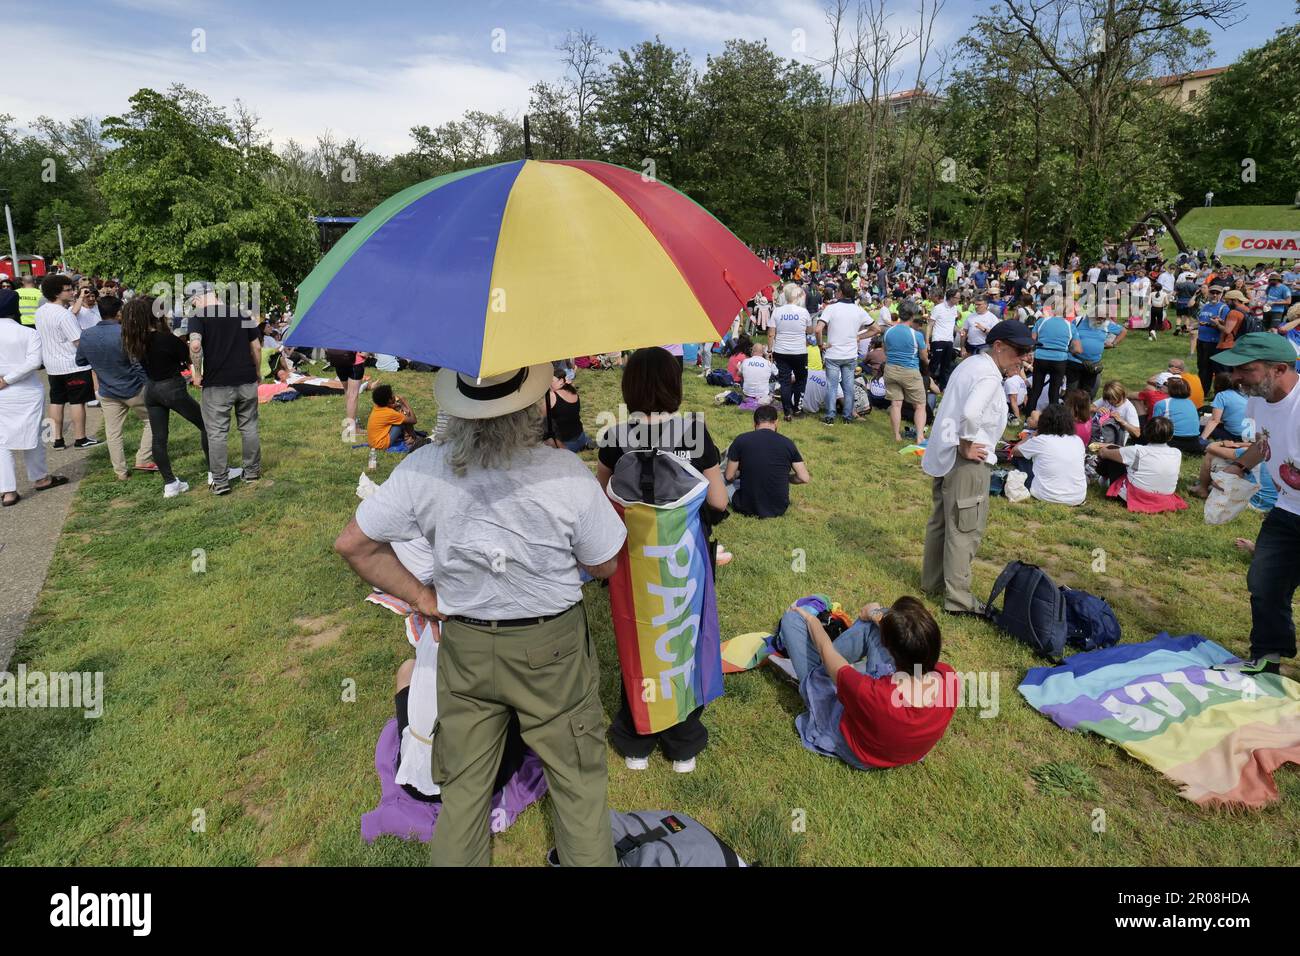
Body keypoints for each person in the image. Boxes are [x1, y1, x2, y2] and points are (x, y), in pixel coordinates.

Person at [335, 362, 626, 866]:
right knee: (578, 787)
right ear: (534, 407)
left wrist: (424, 597)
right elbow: (605, 564)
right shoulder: (564, 472)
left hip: (465, 645)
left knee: (464, 791)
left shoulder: (423, 468)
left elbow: (353, 545)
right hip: (550, 649)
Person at [596, 347, 728, 772]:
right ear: (675, 386)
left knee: (639, 642)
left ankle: (636, 738)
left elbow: (600, 503)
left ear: (629, 387)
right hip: (683, 561)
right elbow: (719, 501)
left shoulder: (614, 437)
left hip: (633, 565)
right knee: (684, 642)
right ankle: (682, 742)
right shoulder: (695, 432)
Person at [922, 321, 1034, 615]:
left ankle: (932, 582)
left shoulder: (971, 364)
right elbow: (970, 413)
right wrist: (965, 444)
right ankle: (959, 599)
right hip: (967, 461)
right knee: (965, 528)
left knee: (942, 523)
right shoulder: (987, 375)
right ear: (998, 347)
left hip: (947, 455)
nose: (1023, 357)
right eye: (1019, 351)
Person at [1205, 333, 1300, 675]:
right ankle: (1267, 656)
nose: (1237, 377)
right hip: (1288, 509)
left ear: (1279, 369)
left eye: (1246, 369)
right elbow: (1264, 441)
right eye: (1235, 370)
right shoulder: (1259, 399)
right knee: (1264, 581)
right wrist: (1238, 465)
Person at [781, 597, 957, 770]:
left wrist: (811, 619)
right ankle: (854, 654)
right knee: (876, 624)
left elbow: (825, 650)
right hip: (898, 741)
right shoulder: (949, 678)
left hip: (860, 750)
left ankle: (810, 671)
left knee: (791, 621)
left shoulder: (871, 693)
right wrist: (876, 614)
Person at [121, 296, 223, 497]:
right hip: (171, 388)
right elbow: (187, 355)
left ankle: (170, 483)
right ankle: (215, 472)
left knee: (159, 439)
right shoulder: (165, 338)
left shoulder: (134, 340)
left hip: (151, 390)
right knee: (206, 425)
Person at [73, 295, 157, 481]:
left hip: (107, 390)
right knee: (152, 421)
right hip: (134, 388)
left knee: (113, 433)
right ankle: (143, 458)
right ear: (118, 312)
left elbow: (80, 360)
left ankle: (120, 472)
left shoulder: (87, 334)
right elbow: (135, 363)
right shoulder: (125, 333)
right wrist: (149, 383)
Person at [188, 283, 261, 495]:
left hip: (217, 384)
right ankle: (252, 472)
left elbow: (195, 345)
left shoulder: (199, 317)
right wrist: (256, 372)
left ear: (199, 298)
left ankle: (220, 482)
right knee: (249, 427)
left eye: (193, 302)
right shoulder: (242, 314)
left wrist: (198, 374)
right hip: (246, 380)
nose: (194, 306)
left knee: (217, 433)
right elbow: (256, 346)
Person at [0, 289, 69, 506]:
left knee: (1, 442)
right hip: (25, 390)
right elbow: (33, 362)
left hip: (2, 391)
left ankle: (8, 491)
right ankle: (40, 478)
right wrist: (8, 379)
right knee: (33, 435)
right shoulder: (28, 333)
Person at [33, 274, 99, 449]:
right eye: (68, 290)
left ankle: (58, 439)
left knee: (57, 401)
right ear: (56, 293)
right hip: (72, 364)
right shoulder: (64, 315)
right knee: (77, 401)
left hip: (52, 366)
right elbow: (78, 341)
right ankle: (80, 438)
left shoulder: (40, 312)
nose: (72, 292)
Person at [724, 405, 810, 518]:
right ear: (776, 422)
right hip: (779, 508)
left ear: (755, 424)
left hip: (746, 505)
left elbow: (729, 476)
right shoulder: (788, 443)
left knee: (718, 479)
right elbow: (804, 477)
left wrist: (740, 473)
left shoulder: (741, 440)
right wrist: (786, 477)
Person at [1094, 417, 1186, 511]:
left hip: (1137, 495)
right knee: (1123, 456)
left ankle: (1103, 480)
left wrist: (1106, 447)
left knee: (1113, 455)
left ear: (1145, 433)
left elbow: (1103, 453)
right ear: (1171, 436)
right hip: (1165, 495)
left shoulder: (1137, 451)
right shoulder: (1176, 453)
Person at [815, 279, 873, 424]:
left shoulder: (831, 308)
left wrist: (821, 345)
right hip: (850, 355)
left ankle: (830, 416)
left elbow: (818, 329)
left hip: (833, 353)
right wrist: (859, 337)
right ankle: (847, 417)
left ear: (840, 292)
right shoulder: (859, 310)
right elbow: (876, 329)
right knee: (848, 386)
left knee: (832, 386)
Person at [1011, 403, 1087, 506]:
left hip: (1046, 495)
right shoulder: (1078, 440)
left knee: (1020, 457)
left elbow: (1015, 450)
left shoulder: (1041, 440)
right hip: (1077, 497)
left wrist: (1034, 434)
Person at [883, 306, 929, 443]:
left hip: (891, 368)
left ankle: (896, 435)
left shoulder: (888, 331)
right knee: (920, 405)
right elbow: (923, 356)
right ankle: (920, 436)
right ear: (912, 317)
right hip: (910, 370)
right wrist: (927, 361)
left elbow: (885, 350)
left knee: (896, 404)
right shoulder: (916, 334)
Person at [769, 283, 812, 422]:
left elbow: (771, 334)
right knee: (801, 380)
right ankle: (797, 409)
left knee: (785, 381)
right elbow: (809, 331)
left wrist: (770, 350)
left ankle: (787, 411)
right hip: (799, 351)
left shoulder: (777, 311)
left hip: (781, 351)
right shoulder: (803, 312)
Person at [1025, 305, 1080, 412]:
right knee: (1054, 392)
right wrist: (1068, 349)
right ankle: (1052, 419)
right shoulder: (1070, 326)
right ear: (1065, 313)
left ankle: (1028, 417)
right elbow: (1077, 349)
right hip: (1059, 360)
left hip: (1041, 358)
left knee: (1036, 389)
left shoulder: (1041, 322)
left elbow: (1032, 341)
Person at [1066, 312, 1125, 398]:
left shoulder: (1106, 324)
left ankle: (1084, 410)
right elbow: (1067, 334)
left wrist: (1113, 344)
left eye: (1104, 318)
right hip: (1074, 361)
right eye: (1099, 317)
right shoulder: (1078, 321)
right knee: (1071, 393)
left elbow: (1123, 331)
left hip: (1093, 365)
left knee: (1088, 395)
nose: (1101, 320)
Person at [1151, 376, 1203, 456]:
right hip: (1194, 441)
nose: (1162, 386)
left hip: (1173, 441)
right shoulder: (1190, 402)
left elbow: (1154, 426)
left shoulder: (1162, 404)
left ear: (1170, 389)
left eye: (1165, 384)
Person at [542, 372, 593, 453]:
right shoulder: (572, 390)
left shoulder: (552, 396)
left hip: (566, 446)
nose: (548, 383)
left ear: (561, 381)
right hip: (581, 437)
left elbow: (539, 418)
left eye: (551, 380)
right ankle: (585, 443)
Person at [1195, 284, 1231, 396]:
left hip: (1214, 342)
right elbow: (1200, 319)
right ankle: (1203, 391)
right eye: (1212, 293)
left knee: (1217, 369)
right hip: (1202, 340)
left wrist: (1213, 324)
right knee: (1202, 367)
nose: (1214, 295)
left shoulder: (1224, 308)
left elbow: (1227, 327)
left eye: (1217, 293)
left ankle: (1219, 393)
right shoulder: (1205, 306)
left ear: (1221, 295)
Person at [367, 384, 424, 453]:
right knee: (403, 420)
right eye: (392, 394)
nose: (394, 395)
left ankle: (411, 437)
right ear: (389, 400)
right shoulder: (390, 413)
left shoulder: (378, 406)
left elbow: (391, 407)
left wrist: (397, 405)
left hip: (373, 442)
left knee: (399, 416)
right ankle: (411, 440)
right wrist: (405, 402)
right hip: (380, 445)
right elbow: (413, 420)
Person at [927, 287, 960, 389]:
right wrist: (927, 341)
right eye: (957, 298)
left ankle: (943, 387)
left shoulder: (954, 309)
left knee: (946, 365)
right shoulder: (938, 308)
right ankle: (927, 384)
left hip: (949, 340)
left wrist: (959, 330)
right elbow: (930, 325)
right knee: (934, 364)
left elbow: (952, 324)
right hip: (938, 339)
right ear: (951, 298)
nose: (959, 300)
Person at [328, 348, 368, 432]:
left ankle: (352, 420)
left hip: (338, 360)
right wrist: (366, 352)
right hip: (354, 361)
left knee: (347, 392)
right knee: (353, 395)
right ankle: (352, 428)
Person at [1201, 372, 1247, 443]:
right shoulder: (1245, 394)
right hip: (1251, 434)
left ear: (1218, 384)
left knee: (1201, 428)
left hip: (1236, 436)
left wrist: (1201, 439)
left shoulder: (1221, 396)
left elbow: (1214, 421)